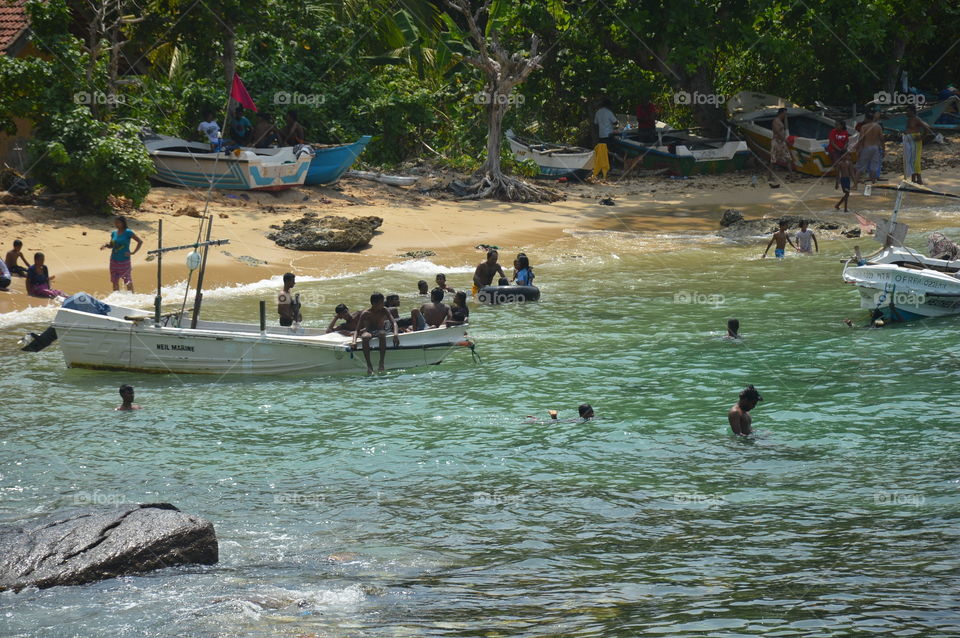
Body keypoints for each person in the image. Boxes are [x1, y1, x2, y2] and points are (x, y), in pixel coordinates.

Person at [352, 292, 400, 374]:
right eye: (381, 302)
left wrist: (395, 334)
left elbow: (394, 323)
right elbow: (357, 329)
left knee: (382, 334)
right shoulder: (365, 313)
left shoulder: (384, 310)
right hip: (369, 331)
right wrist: (354, 341)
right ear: (374, 303)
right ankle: (369, 365)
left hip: (380, 331)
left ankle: (381, 362)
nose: (383, 304)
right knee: (365, 337)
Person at [100, 216, 142, 292]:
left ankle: (131, 297)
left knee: (127, 280)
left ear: (123, 223)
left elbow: (140, 241)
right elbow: (112, 245)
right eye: (115, 222)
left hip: (124, 260)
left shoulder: (128, 232)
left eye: (118, 222)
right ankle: (116, 297)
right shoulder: (113, 233)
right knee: (114, 280)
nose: (116, 224)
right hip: (114, 260)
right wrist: (106, 245)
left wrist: (133, 252)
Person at [903, 104, 935, 185]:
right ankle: (913, 179)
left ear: (912, 111)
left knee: (915, 160)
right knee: (910, 160)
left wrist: (921, 137)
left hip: (915, 141)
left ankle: (919, 180)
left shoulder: (916, 119)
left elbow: (927, 128)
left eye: (907, 111)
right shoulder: (909, 119)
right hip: (909, 141)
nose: (906, 112)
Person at [854, 111, 883, 183]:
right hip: (875, 148)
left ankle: (855, 185)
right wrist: (884, 149)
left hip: (866, 147)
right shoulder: (878, 126)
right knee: (874, 167)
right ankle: (873, 182)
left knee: (860, 167)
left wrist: (857, 149)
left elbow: (861, 139)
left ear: (866, 119)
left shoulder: (864, 127)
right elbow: (882, 139)